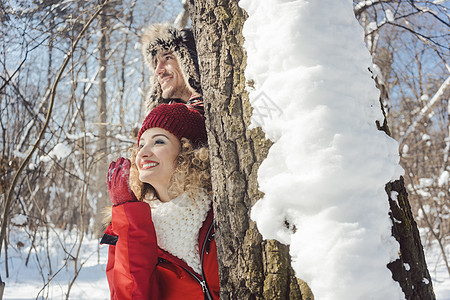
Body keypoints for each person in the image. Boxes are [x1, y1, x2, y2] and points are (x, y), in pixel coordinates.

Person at [101, 103, 219, 299]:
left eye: (158, 142)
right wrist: (130, 220)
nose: (143, 153)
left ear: (188, 152)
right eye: (141, 145)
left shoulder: (221, 212)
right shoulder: (125, 227)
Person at [141, 23, 204, 114]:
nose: (157, 70)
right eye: (155, 64)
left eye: (168, 58)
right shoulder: (163, 117)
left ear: (189, 63)